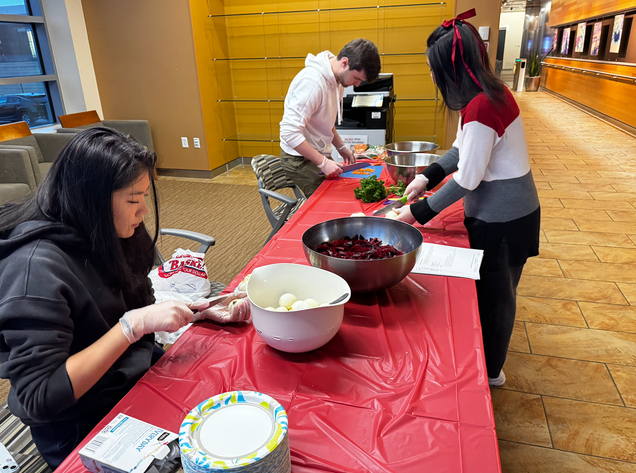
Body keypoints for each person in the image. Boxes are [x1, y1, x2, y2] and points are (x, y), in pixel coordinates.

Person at [0, 128, 249, 468]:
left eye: (145, 197)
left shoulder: (107, 230)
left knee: (233, 405)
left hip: (135, 375)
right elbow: (39, 397)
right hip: (83, 421)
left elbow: (139, 302)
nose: (144, 210)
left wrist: (194, 312)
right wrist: (131, 327)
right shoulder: (34, 270)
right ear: (91, 200)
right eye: (134, 200)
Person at [395, 10, 540, 387]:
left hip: (504, 218)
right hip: (510, 211)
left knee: (497, 298)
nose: (431, 76)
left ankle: (492, 373)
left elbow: (470, 178)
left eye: (432, 69)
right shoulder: (488, 93)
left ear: (452, 69)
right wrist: (426, 177)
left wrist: (415, 213)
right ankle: (491, 362)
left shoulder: (481, 107)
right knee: (496, 290)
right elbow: (462, 149)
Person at [279, 38, 382, 197]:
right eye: (356, 78)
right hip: (299, 159)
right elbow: (289, 132)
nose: (357, 85)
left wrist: (341, 147)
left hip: (316, 153)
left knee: (340, 192)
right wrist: (323, 162)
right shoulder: (312, 83)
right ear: (345, 63)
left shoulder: (337, 80)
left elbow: (324, 121)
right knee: (327, 202)